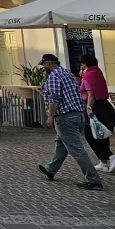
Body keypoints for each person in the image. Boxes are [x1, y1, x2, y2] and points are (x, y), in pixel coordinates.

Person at [37, 53, 103, 190]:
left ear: (48, 64)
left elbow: (54, 99)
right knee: (61, 144)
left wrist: (50, 116)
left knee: (77, 150)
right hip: (78, 114)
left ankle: (94, 180)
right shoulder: (68, 73)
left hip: (65, 117)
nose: (44, 67)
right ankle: (51, 169)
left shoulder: (54, 77)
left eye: (44, 65)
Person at [80, 53, 115, 173]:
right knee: (101, 133)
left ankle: (111, 157)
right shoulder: (97, 72)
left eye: (82, 64)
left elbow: (90, 95)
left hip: (95, 106)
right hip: (105, 105)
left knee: (89, 134)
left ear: (84, 64)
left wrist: (88, 109)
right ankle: (103, 163)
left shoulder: (88, 76)